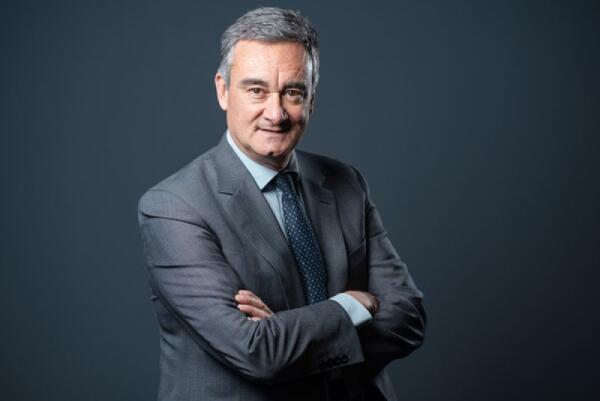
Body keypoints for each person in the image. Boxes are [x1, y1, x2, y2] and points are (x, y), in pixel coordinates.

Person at [138, 7, 425, 401]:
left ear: (312, 98)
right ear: (223, 90)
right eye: (256, 90)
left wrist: (289, 337)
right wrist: (351, 305)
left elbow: (408, 318)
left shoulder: (346, 183)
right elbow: (256, 351)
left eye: (292, 92)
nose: (275, 114)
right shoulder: (174, 207)